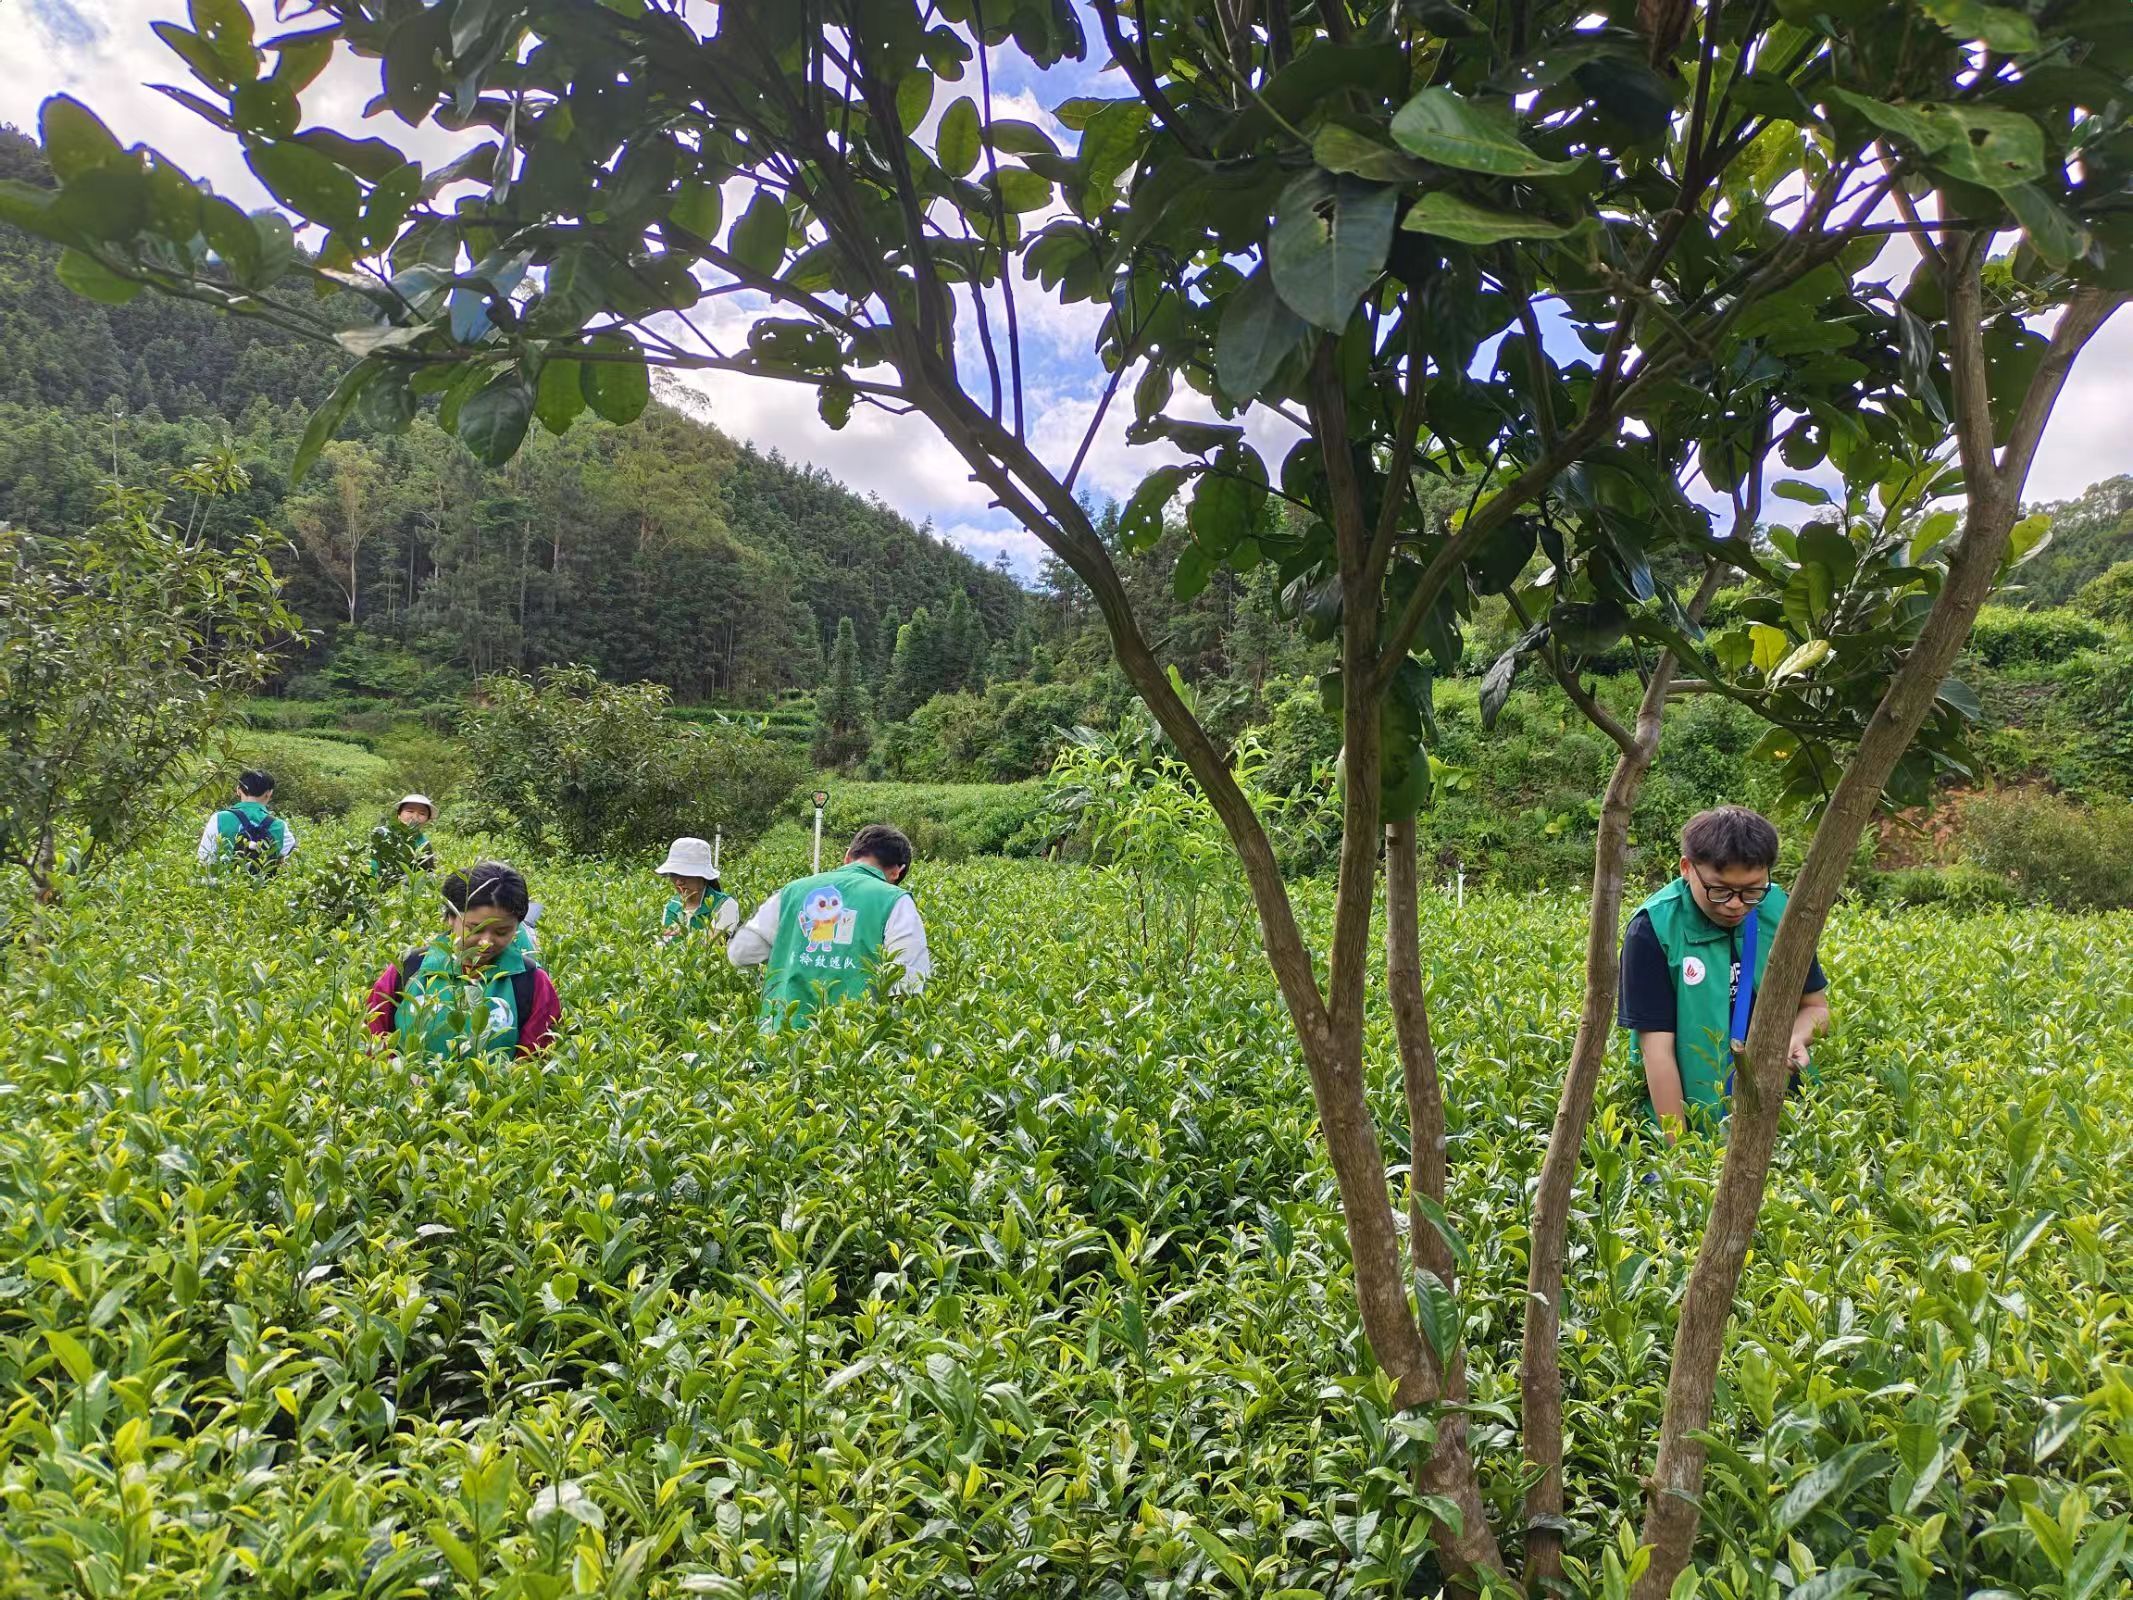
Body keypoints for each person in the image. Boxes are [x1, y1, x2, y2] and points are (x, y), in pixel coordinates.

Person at [1620, 806, 1832, 1140]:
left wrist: (1796, 1037)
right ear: (1687, 869)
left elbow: (1816, 1009)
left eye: (1752, 890)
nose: (1735, 904)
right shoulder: (1653, 928)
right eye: (1719, 890)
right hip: (1693, 1113)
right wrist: (1680, 1153)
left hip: (1782, 1112)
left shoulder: (1780, 911)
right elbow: (1657, 1051)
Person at [730, 823, 930, 1031]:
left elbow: (740, 954)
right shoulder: (895, 900)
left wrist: (791, 951)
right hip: (851, 1044)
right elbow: (908, 984)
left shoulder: (792, 891)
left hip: (780, 1036)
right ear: (898, 872)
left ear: (847, 856)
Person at [366, 861, 560, 1058]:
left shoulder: (531, 981)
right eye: (474, 928)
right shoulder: (410, 966)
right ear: (451, 917)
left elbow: (533, 1059)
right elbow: (373, 1039)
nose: (486, 942)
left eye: (502, 931)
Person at [197, 769, 296, 873]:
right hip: (264, 887)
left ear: (238, 790)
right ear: (269, 793)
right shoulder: (280, 826)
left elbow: (204, 859)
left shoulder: (219, 818)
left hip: (224, 887)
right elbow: (287, 864)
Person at [654, 836, 739, 941]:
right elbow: (664, 948)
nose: (678, 882)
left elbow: (713, 946)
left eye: (686, 874)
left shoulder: (724, 905)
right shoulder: (672, 907)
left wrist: (684, 932)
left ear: (702, 877)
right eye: (674, 874)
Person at [370, 793, 439, 882]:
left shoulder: (424, 843)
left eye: (422, 813)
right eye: (410, 811)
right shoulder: (381, 833)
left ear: (427, 820)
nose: (415, 817)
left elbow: (428, 872)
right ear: (399, 814)